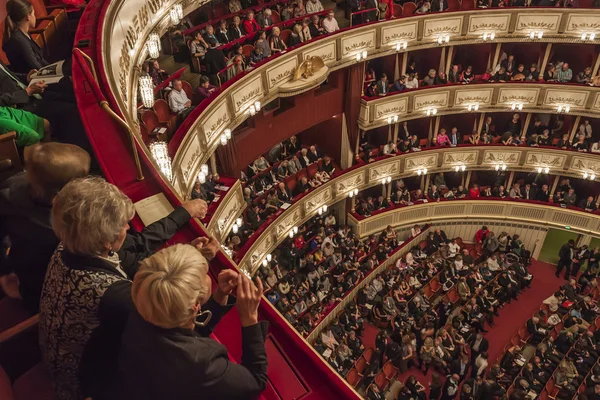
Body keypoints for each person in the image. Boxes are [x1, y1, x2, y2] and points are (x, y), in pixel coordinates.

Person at [39, 177, 211, 400]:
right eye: (123, 225)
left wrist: (186, 242)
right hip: (83, 388)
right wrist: (198, 273)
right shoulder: (115, 296)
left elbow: (138, 245)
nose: (128, 227)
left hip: (61, 357)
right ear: (107, 242)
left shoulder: (72, 243)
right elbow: (174, 328)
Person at [119, 245, 268, 399]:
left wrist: (218, 297)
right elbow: (256, 380)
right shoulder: (204, 363)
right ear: (196, 305)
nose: (209, 275)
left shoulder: (146, 307)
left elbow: (180, 334)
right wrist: (249, 318)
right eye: (205, 274)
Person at [0, 143, 90, 311]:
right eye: (83, 179)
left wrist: (3, 268)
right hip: (38, 282)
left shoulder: (11, 185)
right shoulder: (58, 228)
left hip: (19, 258)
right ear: (62, 192)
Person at [3, 0, 50, 73]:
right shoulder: (18, 40)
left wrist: (53, 68)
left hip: (40, 74)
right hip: (34, 80)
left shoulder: (24, 33)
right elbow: (36, 67)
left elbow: (40, 60)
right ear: (28, 16)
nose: (35, 17)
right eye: (33, 14)